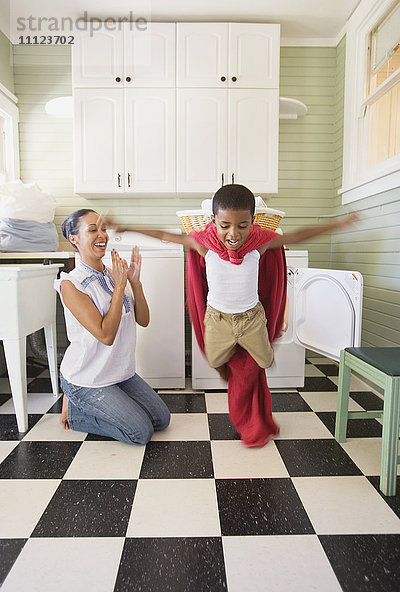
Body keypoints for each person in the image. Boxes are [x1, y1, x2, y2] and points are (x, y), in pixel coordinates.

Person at [105, 184, 358, 446]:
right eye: (225, 225)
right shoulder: (205, 245)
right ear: (213, 220)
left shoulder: (258, 245)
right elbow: (164, 234)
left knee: (263, 360)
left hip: (252, 319)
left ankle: (250, 382)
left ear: (252, 222)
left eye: (242, 225)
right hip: (218, 319)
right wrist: (127, 227)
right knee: (215, 359)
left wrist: (337, 225)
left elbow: (297, 236)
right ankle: (233, 365)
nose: (233, 234)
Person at [55, 208, 170, 445]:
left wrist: (135, 284)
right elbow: (106, 335)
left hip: (116, 373)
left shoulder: (111, 273)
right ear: (74, 239)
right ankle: (76, 411)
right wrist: (119, 288)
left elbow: (143, 320)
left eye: (103, 229)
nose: (102, 235)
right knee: (140, 432)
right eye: (92, 230)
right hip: (87, 376)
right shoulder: (71, 284)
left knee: (161, 419)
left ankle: (110, 403)